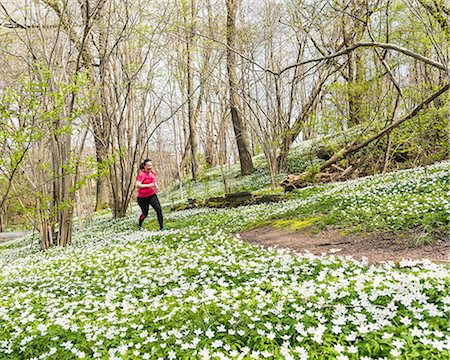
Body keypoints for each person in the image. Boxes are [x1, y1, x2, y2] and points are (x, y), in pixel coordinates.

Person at [135, 159, 165, 231]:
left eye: (151, 165)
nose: (150, 167)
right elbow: (137, 185)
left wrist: (156, 187)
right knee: (145, 214)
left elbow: (153, 181)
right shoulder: (142, 174)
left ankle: (161, 227)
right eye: (148, 166)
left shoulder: (152, 173)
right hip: (142, 198)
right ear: (144, 166)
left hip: (151, 195)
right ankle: (139, 224)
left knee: (159, 209)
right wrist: (148, 185)